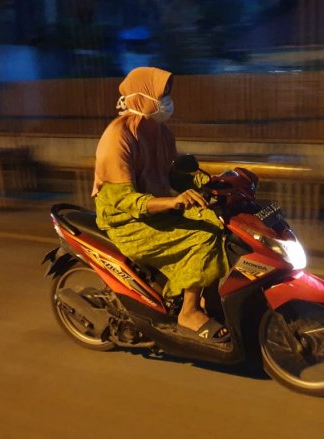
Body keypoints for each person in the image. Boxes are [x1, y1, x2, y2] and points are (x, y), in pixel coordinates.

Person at [93, 66, 230, 343]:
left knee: (218, 224)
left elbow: (171, 174)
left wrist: (211, 182)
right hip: (125, 219)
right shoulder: (118, 135)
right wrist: (174, 201)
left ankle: (203, 298)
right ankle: (188, 313)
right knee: (202, 237)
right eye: (160, 95)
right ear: (141, 97)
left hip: (154, 206)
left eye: (167, 94)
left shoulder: (161, 132)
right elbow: (124, 199)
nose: (166, 101)